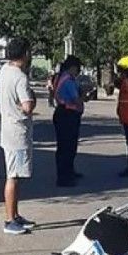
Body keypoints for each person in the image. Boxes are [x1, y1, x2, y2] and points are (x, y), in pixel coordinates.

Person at [0, 37, 36, 235]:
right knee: (13, 176)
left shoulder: (4, 71)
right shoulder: (20, 78)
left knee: (17, 175)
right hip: (18, 133)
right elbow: (28, 106)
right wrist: (33, 99)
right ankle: (9, 219)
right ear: (26, 54)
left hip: (8, 129)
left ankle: (15, 214)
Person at [53, 55, 84, 187]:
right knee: (67, 147)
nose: (78, 73)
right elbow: (75, 99)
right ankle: (64, 177)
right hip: (67, 115)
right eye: (78, 69)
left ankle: (69, 172)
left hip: (63, 113)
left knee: (66, 147)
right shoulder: (68, 80)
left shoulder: (61, 77)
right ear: (73, 68)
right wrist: (84, 98)